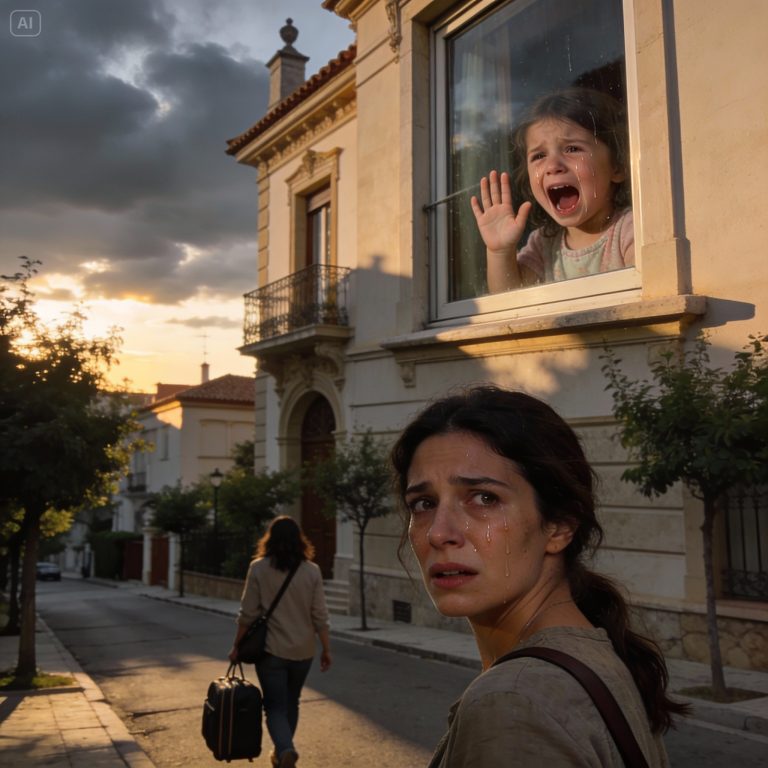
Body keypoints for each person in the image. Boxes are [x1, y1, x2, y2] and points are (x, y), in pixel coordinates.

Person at [391, 385, 686, 767]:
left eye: (483, 498)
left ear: (560, 525)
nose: (437, 532)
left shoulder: (514, 700)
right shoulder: (596, 654)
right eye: (423, 503)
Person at [470, 88, 634, 293]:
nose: (553, 166)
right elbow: (509, 299)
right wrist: (500, 252)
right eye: (539, 156)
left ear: (617, 167)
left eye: (572, 149)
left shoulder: (629, 229)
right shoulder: (544, 244)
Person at [229, 516, 332, 768]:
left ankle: (285, 749)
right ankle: (282, 753)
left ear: (270, 539)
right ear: (299, 539)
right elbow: (320, 615)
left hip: (271, 652)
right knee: (291, 702)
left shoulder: (258, 568)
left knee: (274, 706)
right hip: (303, 652)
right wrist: (326, 649)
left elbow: (247, 614)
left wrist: (236, 646)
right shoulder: (312, 571)